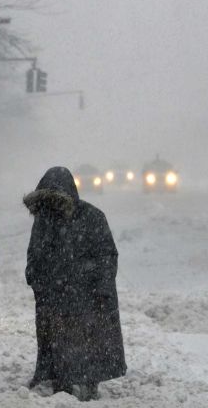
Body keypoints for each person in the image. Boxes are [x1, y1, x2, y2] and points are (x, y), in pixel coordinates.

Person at [23, 166, 126, 401]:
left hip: (86, 294)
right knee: (56, 340)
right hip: (55, 294)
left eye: (55, 200)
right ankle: (61, 380)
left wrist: (98, 287)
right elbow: (34, 255)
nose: (51, 208)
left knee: (89, 340)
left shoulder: (92, 217)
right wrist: (35, 277)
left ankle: (88, 382)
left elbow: (107, 256)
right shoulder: (44, 219)